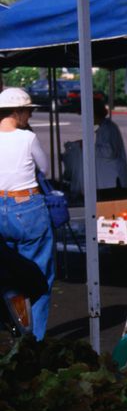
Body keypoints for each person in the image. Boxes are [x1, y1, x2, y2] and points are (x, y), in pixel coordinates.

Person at [0, 87, 53, 339]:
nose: (29, 116)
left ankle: (10, 335)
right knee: (38, 276)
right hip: (27, 207)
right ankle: (35, 340)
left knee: (7, 275)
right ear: (18, 112)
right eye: (28, 112)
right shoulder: (27, 138)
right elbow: (46, 168)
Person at [93, 98, 127, 201]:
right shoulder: (106, 127)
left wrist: (89, 148)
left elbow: (109, 152)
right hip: (109, 180)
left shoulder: (107, 129)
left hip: (112, 181)